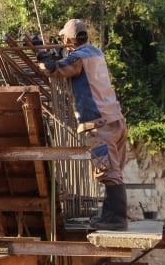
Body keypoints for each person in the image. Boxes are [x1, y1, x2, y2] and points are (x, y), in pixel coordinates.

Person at [37, 19, 129, 230]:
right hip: (114, 118)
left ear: (68, 40)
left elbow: (54, 70)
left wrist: (42, 55)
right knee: (113, 171)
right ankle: (109, 217)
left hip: (98, 122)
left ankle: (117, 220)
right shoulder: (96, 53)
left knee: (108, 171)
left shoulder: (76, 58)